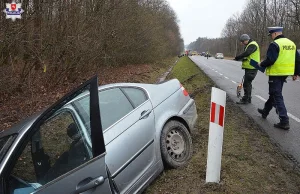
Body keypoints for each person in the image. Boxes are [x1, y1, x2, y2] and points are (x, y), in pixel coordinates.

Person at [257, 26, 300, 130]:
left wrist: (261, 64)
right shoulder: (291, 44)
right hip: (285, 73)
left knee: (276, 95)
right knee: (274, 93)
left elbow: (271, 60)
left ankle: (284, 120)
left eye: (271, 34)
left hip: (276, 73)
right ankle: (265, 111)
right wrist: (296, 73)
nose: (271, 37)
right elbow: (297, 60)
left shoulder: (275, 44)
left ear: (275, 34)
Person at [234, 34, 260, 104]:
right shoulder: (250, 45)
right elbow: (248, 56)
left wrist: (238, 57)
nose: (242, 43)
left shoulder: (252, 45)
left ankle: (245, 99)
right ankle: (248, 98)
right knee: (248, 83)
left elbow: (247, 53)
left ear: (246, 40)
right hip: (251, 67)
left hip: (252, 67)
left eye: (242, 42)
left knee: (246, 83)